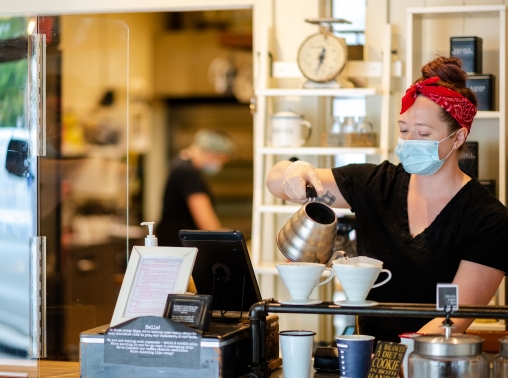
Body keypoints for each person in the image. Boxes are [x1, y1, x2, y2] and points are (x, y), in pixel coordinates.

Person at [266, 56, 508, 342]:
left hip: (431, 361)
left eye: (423, 133)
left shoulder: (488, 220)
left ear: (457, 138)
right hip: (365, 354)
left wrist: (397, 361)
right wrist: (294, 170)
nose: (409, 141)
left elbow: (452, 320)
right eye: (404, 130)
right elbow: (275, 180)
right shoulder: (375, 184)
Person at [156, 129, 234, 246]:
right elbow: (207, 224)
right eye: (220, 159)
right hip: (178, 244)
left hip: (173, 240)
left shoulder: (180, 165)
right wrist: (232, 239)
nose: (219, 165)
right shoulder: (187, 173)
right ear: (209, 152)